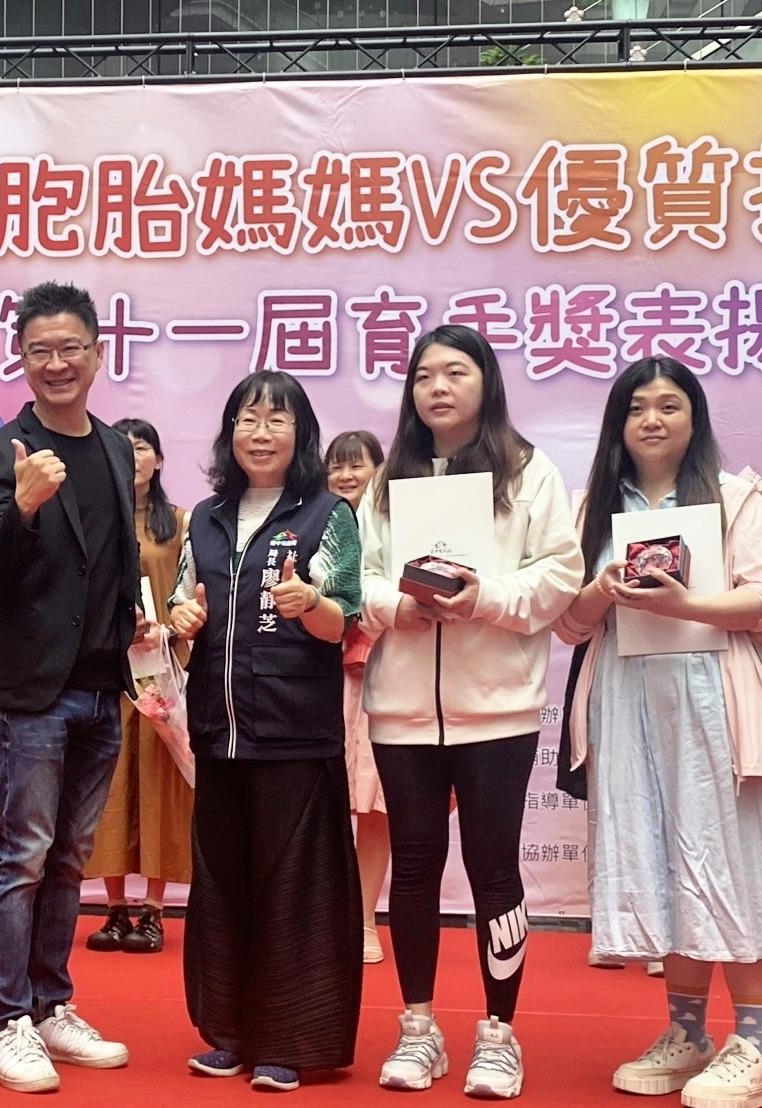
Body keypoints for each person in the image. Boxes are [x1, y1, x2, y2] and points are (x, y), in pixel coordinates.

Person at [556, 357, 762, 1108]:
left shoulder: (734, 498)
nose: (651, 420)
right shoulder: (592, 508)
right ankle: (687, 1033)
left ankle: (759, 1047)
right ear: (617, 423)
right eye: (636, 407)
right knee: (662, 858)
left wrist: (687, 605)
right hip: (628, 707)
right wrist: (599, 590)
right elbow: (567, 625)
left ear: (694, 417)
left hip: (718, 704)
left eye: (668, 405)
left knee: (734, 863)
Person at [358, 325, 582, 1099]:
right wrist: (399, 608)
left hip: (498, 712)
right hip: (401, 710)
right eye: (424, 375)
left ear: (485, 382)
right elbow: (359, 578)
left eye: (455, 372)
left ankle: (498, 1033)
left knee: (493, 869)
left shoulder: (527, 471)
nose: (438, 388)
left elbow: (558, 575)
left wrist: (485, 597)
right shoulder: (388, 478)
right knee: (414, 865)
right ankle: (417, 1027)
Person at [0, 281, 142, 1094]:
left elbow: (112, 559)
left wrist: (136, 621)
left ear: (98, 354)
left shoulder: (113, 447)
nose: (57, 362)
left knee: (69, 859)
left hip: (102, 687)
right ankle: (7, 1020)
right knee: (22, 857)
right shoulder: (1, 452)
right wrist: (25, 507)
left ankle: (50, 1005)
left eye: (71, 347)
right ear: (22, 360)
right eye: (40, 350)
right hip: (29, 692)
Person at [167, 371, 363, 1094]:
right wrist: (181, 620)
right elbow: (179, 606)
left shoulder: (328, 515)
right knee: (224, 886)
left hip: (294, 733)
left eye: (277, 420)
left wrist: (310, 602)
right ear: (230, 433)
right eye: (247, 419)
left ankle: (290, 1041)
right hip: (217, 733)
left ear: (299, 434)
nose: (260, 433)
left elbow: (343, 619)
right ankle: (230, 1032)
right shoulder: (205, 516)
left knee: (294, 891)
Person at [84, 418, 192, 956]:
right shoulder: (93, 517)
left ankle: (152, 909)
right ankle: (113, 908)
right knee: (108, 786)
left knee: (158, 788)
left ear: (159, 459)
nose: (133, 457)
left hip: (160, 670)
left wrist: (169, 630)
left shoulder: (181, 522)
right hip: (106, 668)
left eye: (143, 447)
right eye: (123, 448)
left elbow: (193, 594)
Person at [326, 429, 391, 965]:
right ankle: (322, 919)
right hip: (319, 678)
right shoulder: (314, 523)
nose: (345, 476)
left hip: (379, 676)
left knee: (374, 805)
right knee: (321, 804)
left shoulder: (394, 524)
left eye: (357, 465)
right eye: (336, 466)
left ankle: (365, 920)